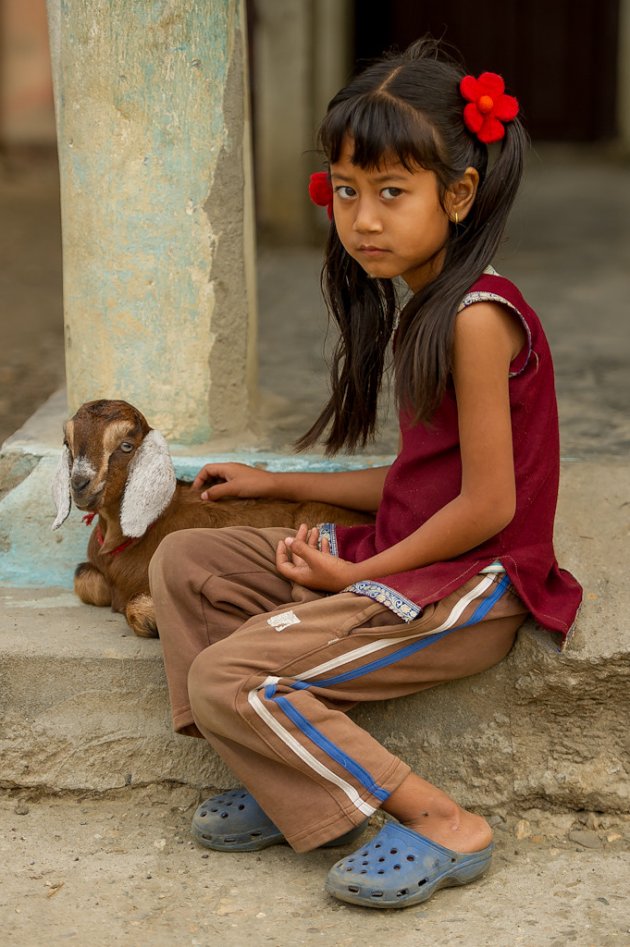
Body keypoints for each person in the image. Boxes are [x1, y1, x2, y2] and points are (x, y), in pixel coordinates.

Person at [148, 37, 582, 909]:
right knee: (184, 565)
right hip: (404, 562)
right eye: (347, 192)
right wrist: (271, 483)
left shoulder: (474, 319)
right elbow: (420, 480)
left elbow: (488, 504)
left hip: (466, 590)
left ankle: (442, 822)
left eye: (392, 192)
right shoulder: (431, 305)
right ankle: (287, 776)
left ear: (459, 195)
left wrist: (357, 574)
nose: (364, 219)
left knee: (227, 676)